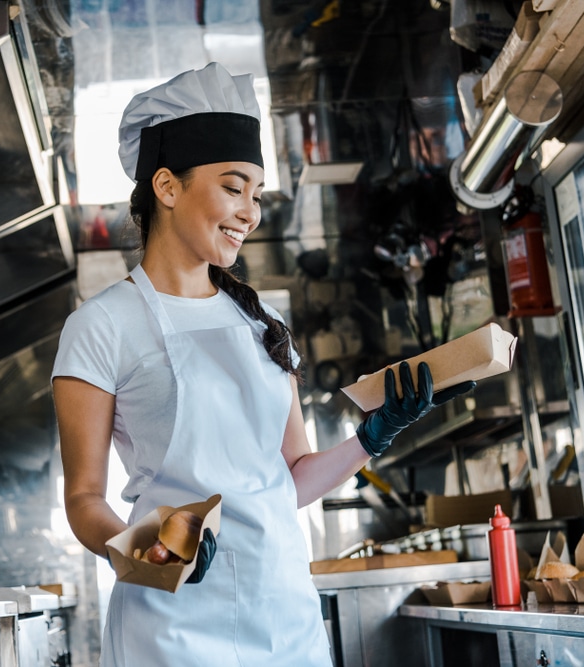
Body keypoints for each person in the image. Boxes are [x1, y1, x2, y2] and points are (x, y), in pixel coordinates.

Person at [52, 62, 475, 667]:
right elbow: (85, 499)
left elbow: (288, 480)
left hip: (282, 616)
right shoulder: (100, 327)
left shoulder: (261, 324)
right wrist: (145, 550)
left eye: (256, 193)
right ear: (167, 187)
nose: (250, 212)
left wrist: (372, 438)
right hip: (170, 624)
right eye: (232, 187)